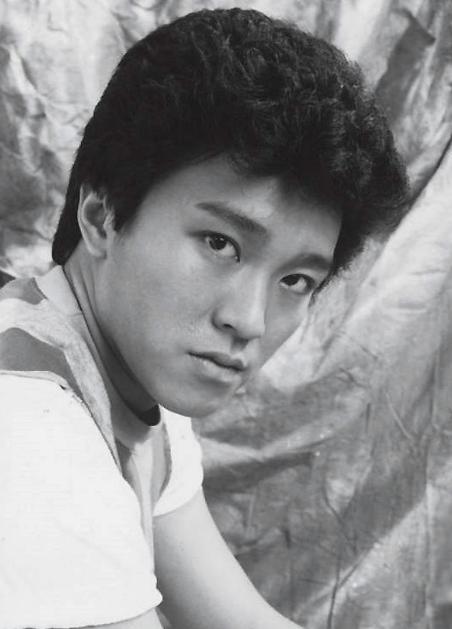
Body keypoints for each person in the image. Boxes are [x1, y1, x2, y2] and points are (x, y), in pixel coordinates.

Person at [0, 7, 408, 629]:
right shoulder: (28, 430)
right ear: (101, 214)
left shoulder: (128, 364)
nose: (248, 320)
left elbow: (234, 618)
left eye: (295, 280)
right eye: (221, 244)